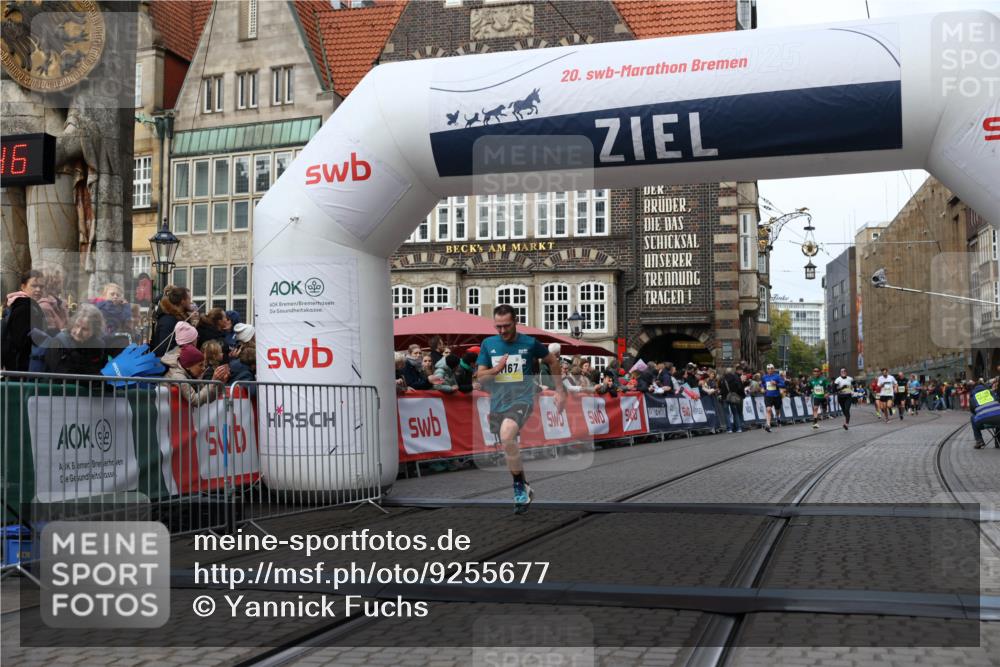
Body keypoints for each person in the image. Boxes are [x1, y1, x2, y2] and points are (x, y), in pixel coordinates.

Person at [477, 304, 565, 514]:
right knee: (509, 446)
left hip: (523, 399)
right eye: (498, 326)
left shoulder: (529, 342)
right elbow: (481, 376)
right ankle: (523, 484)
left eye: (506, 326)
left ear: (515, 322)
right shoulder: (488, 344)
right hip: (498, 402)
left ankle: (517, 487)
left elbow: (552, 361)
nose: (502, 331)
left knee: (508, 435)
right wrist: (496, 369)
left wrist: (560, 390)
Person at [38, 304, 106, 376]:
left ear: (94, 331)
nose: (78, 332)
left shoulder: (98, 345)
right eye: (77, 326)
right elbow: (60, 373)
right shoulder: (59, 342)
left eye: (85, 329)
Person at [2, 270, 47, 372]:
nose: (38, 289)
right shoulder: (24, 307)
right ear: (23, 286)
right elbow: (21, 341)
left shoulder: (22, 304)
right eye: (34, 286)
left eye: (41, 286)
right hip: (22, 367)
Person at [164, 345, 229, 407]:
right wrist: (213, 382)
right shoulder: (178, 376)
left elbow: (207, 399)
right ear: (188, 366)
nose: (204, 368)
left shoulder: (190, 373)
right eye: (200, 365)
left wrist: (219, 383)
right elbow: (196, 401)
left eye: (204, 365)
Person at [151, 286, 194, 357]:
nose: (190, 302)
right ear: (182, 301)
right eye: (189, 299)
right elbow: (164, 349)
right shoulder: (168, 320)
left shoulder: (180, 317)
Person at [968, 380, 1000, 449]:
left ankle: (979, 441)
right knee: (997, 415)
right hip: (998, 419)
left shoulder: (972, 396)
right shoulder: (990, 392)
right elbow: (998, 400)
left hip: (984, 421)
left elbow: (972, 410)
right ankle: (998, 441)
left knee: (973, 418)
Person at [37, 267, 68, 334]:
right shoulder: (44, 306)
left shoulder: (61, 303)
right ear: (52, 283)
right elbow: (52, 335)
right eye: (60, 281)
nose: (62, 284)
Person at [721, 366, 745, 433]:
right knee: (735, 413)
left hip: (725, 397)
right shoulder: (735, 378)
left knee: (727, 413)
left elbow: (722, 388)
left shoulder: (723, 379)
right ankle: (739, 428)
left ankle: (729, 429)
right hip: (733, 397)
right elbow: (738, 387)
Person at [761, 363, 784, 432]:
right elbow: (762, 384)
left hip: (776, 396)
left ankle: (777, 417)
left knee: (777, 409)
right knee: (768, 409)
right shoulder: (764, 377)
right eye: (768, 369)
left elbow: (783, 384)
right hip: (768, 395)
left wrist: (776, 383)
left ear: (773, 369)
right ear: (766, 370)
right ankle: (768, 424)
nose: (770, 370)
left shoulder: (777, 376)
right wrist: (762, 388)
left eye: (771, 368)